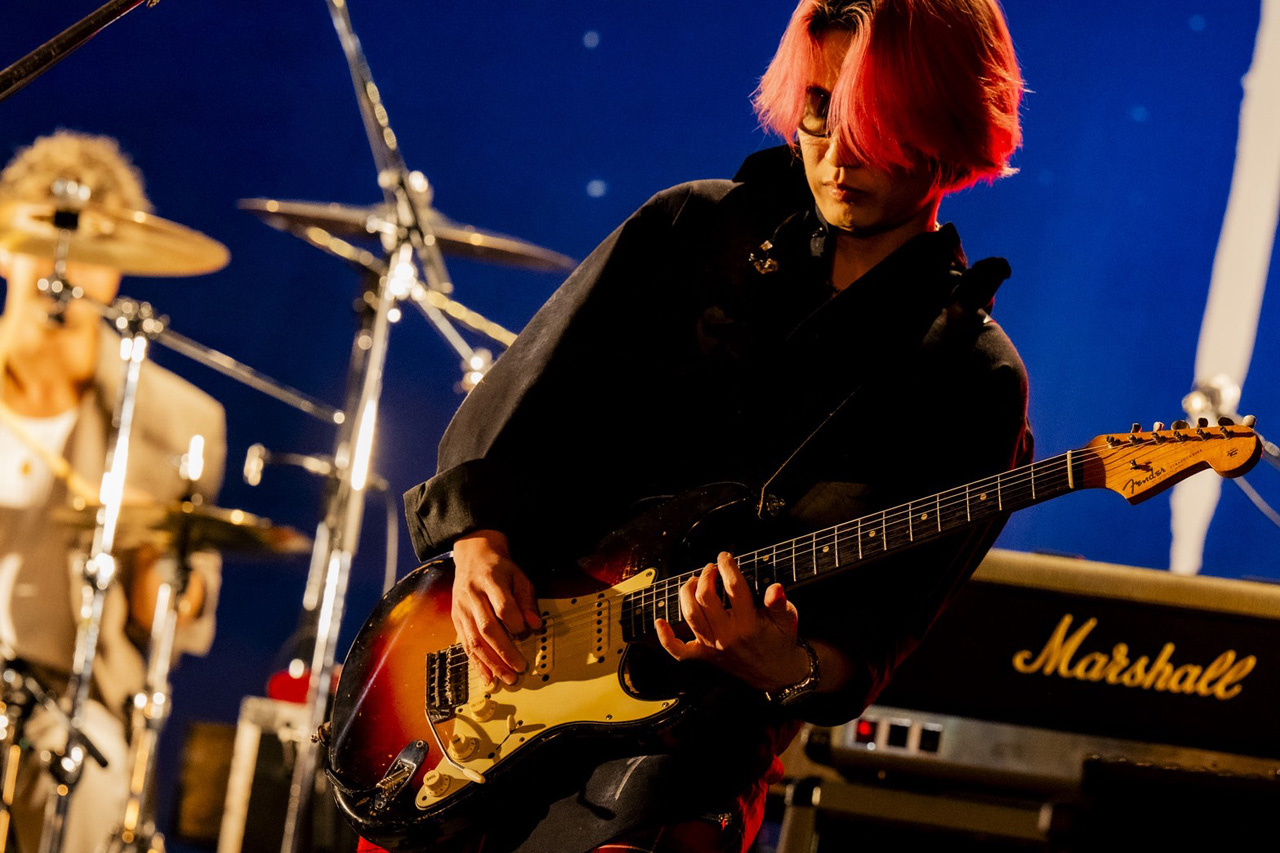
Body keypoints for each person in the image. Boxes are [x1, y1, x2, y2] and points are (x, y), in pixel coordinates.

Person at [397, 1, 1032, 850]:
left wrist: (787, 664)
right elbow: (520, 400)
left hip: (678, 758)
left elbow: (872, 639)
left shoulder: (969, 377)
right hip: (492, 688)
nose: (838, 153)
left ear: (947, 125)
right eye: (820, 110)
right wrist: (478, 544)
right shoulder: (691, 229)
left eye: (874, 124)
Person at [0, 130, 226, 852]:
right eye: (47, 232)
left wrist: (162, 560)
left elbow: (176, 615)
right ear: (5, 245)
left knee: (93, 788)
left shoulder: (173, 419)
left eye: (94, 244)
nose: (65, 261)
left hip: (63, 702)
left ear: (120, 268)